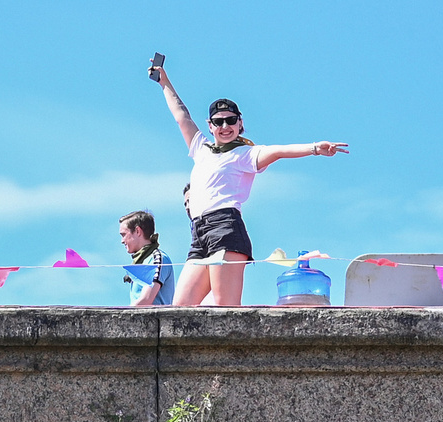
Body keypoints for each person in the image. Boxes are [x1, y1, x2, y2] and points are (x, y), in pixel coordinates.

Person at [149, 57, 349, 307]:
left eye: (231, 120)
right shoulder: (201, 148)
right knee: (179, 309)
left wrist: (315, 148)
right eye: (218, 122)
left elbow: (278, 151)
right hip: (198, 232)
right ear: (210, 126)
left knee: (225, 307)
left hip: (225, 227)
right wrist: (164, 82)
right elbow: (182, 116)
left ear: (240, 123)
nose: (225, 126)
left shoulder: (245, 153)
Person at [119, 210, 175, 307]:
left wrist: (119, 315)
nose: (122, 241)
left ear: (138, 231)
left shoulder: (157, 258)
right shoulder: (141, 261)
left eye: (124, 235)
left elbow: (146, 299)